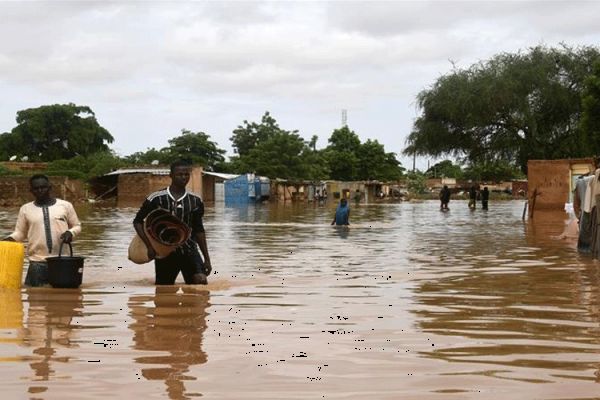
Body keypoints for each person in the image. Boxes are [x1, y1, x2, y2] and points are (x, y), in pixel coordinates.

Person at [133, 160, 212, 285]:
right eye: (179, 174)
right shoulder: (156, 198)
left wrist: (207, 259)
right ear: (171, 175)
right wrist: (149, 246)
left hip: (189, 250)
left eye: (186, 174)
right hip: (164, 252)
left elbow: (199, 230)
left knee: (201, 282)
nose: (183, 177)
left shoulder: (196, 201)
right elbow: (137, 222)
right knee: (163, 290)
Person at [3, 174, 81, 287]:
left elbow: (77, 226)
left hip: (62, 261)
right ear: (31, 191)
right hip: (37, 263)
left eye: (43, 187)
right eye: (36, 188)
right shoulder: (25, 209)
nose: (40, 190)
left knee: (63, 301)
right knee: (35, 299)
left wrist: (70, 232)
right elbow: (20, 233)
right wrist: (9, 239)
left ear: (50, 187)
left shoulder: (65, 206)